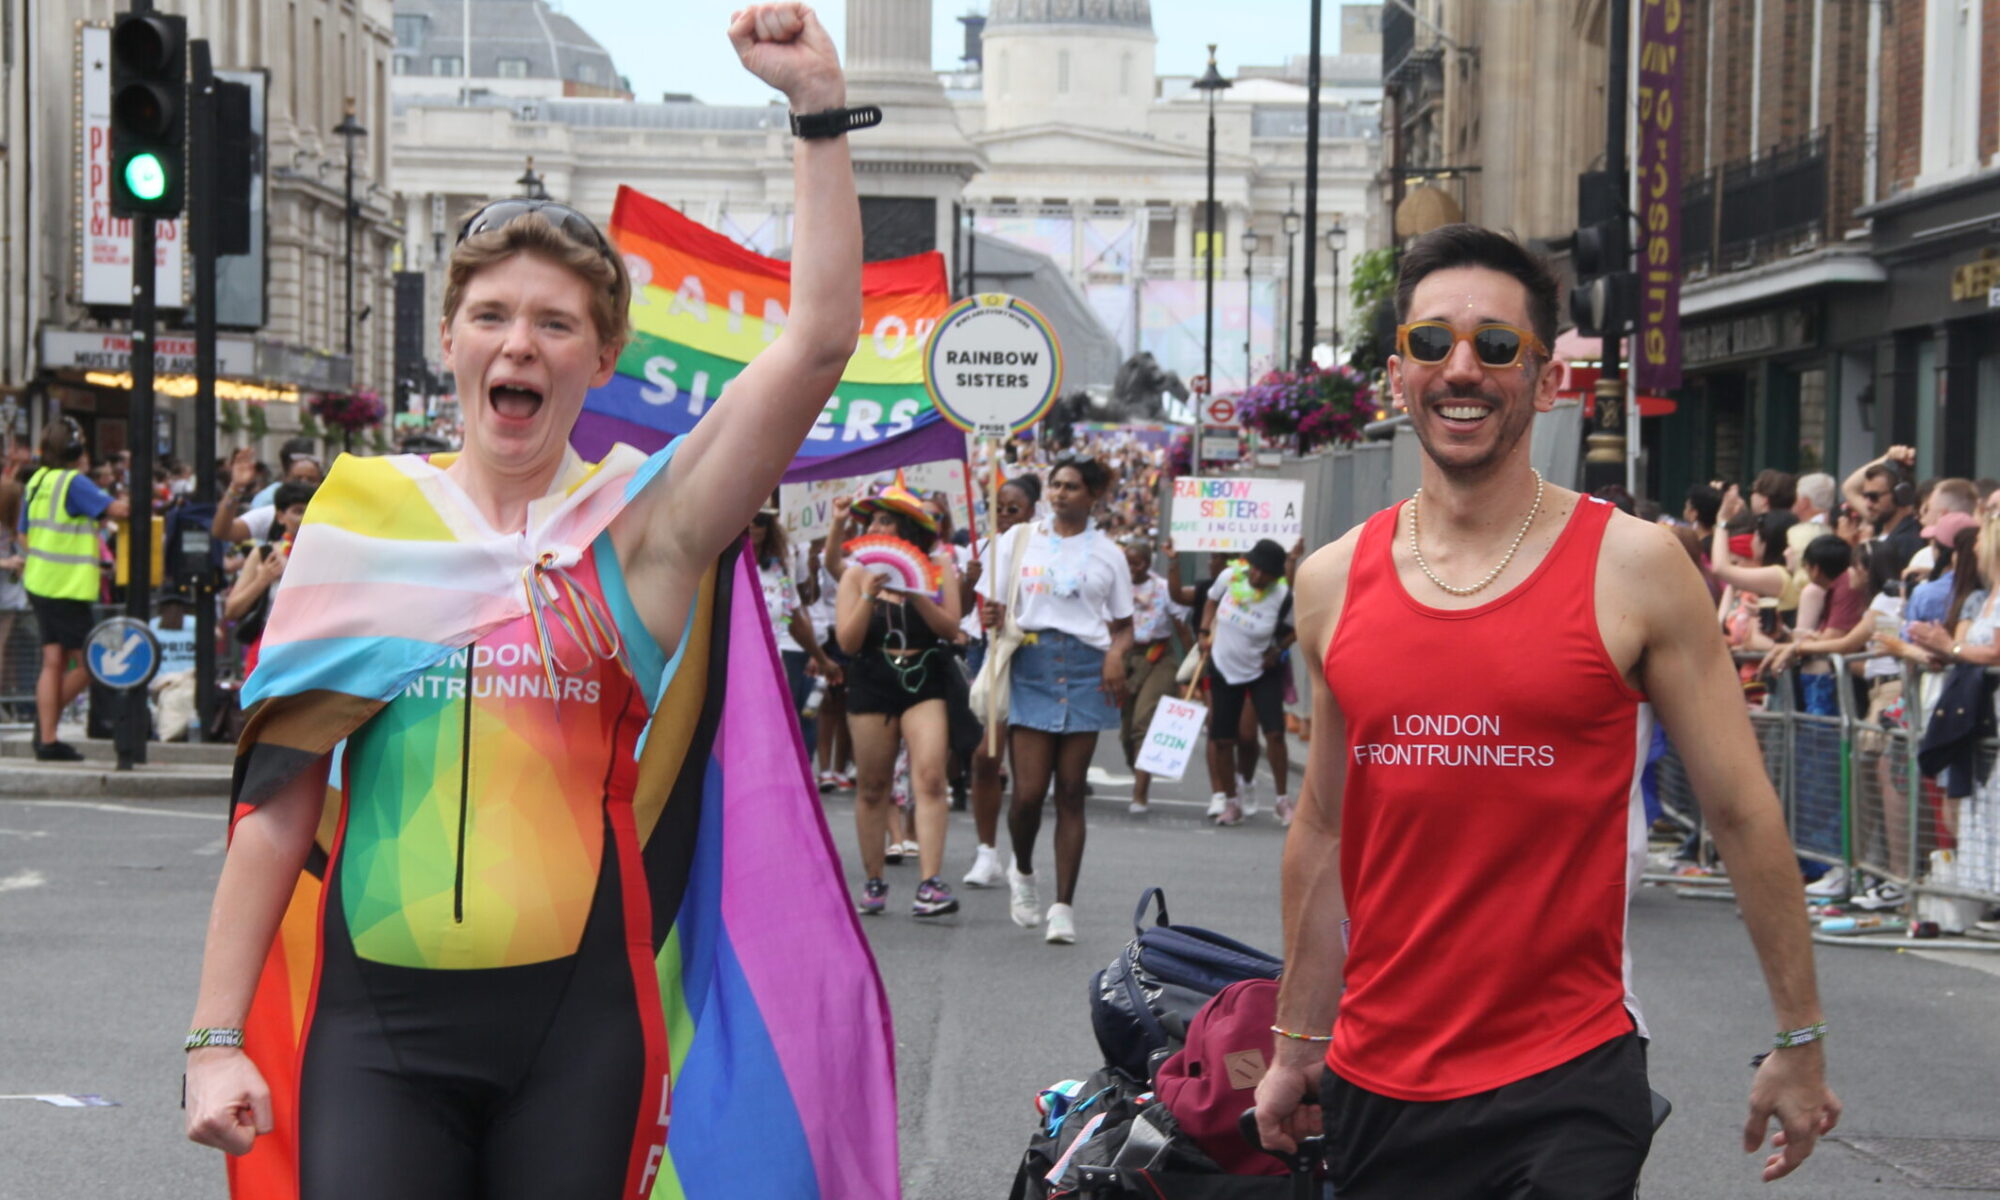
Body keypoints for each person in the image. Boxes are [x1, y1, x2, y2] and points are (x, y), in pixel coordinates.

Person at [183, 8, 898, 1198]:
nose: (521, 344)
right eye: (493, 318)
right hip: (377, 1037)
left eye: (556, 323)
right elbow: (276, 805)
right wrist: (214, 1043)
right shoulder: (359, 525)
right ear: (450, 343)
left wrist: (816, 112)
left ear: (599, 357)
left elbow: (818, 340)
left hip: (580, 1035)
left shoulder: (642, 530)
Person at [1253, 225, 1839, 1196]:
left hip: (1566, 1077)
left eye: (1494, 345)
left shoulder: (1636, 568)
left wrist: (1800, 1040)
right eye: (1431, 342)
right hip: (1376, 1082)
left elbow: (1737, 812)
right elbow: (1322, 825)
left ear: (1541, 376)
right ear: (1396, 371)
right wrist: (1293, 1040)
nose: (1460, 369)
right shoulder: (1329, 582)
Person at [979, 454, 1133, 945]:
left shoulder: (1109, 553)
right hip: (1032, 664)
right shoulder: (1018, 540)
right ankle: (1022, 870)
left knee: (1070, 791)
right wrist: (988, 615)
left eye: (1071, 486)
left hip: (1088, 669)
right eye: (1056, 485)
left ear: (1092, 496)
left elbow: (1125, 625)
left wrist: (1116, 655)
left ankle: (1063, 906)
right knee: (1027, 794)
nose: (1061, 493)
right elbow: (986, 602)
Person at [835, 477, 964, 917]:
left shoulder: (939, 565)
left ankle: (930, 883)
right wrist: (869, 596)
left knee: (929, 778)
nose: (876, 529)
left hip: (925, 676)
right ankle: (874, 879)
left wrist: (917, 591)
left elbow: (952, 629)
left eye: (885, 521)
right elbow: (848, 643)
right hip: (872, 678)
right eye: (873, 522)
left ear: (907, 529)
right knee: (873, 785)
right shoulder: (855, 573)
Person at [20, 417, 131, 760]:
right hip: (66, 586)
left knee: (54, 660)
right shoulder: (73, 482)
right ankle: (46, 724)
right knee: (91, 663)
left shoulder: (37, 481)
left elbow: (24, 535)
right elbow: (119, 511)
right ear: (74, 448)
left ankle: (48, 736)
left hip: (39, 581)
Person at [962, 471, 1040, 886]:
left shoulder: (1041, 548)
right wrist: (967, 580)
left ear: (1031, 511)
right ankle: (986, 852)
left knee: (1028, 770)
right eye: (999, 509)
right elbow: (959, 610)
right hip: (985, 654)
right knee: (985, 755)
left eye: (1014, 509)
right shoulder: (981, 548)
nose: (1006, 516)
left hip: (1026, 653)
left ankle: (1020, 856)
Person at [1201, 538, 1296, 826]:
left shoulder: (1282, 596)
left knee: (1275, 734)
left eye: (1264, 572)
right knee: (1222, 739)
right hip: (1223, 667)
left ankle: (1282, 801)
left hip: (1260, 670)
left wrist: (1277, 651)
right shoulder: (1230, 577)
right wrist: (1204, 632)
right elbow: (1211, 600)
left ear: (1276, 575)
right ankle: (1232, 803)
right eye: (1253, 568)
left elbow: (1296, 630)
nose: (1256, 575)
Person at [1119, 536, 1193, 815]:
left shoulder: (1162, 589)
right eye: (1127, 562)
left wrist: (1193, 666)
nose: (1132, 568)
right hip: (1126, 658)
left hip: (1159, 658)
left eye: (1137, 563)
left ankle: (1140, 794)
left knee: (1143, 722)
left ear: (1148, 563)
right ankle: (1137, 768)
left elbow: (1181, 628)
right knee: (1126, 732)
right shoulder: (1116, 587)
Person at [211, 444, 325, 546]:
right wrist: (236, 487)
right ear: (281, 517)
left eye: (311, 479)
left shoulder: (332, 514)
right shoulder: (271, 514)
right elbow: (222, 531)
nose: (303, 483)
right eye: (297, 478)